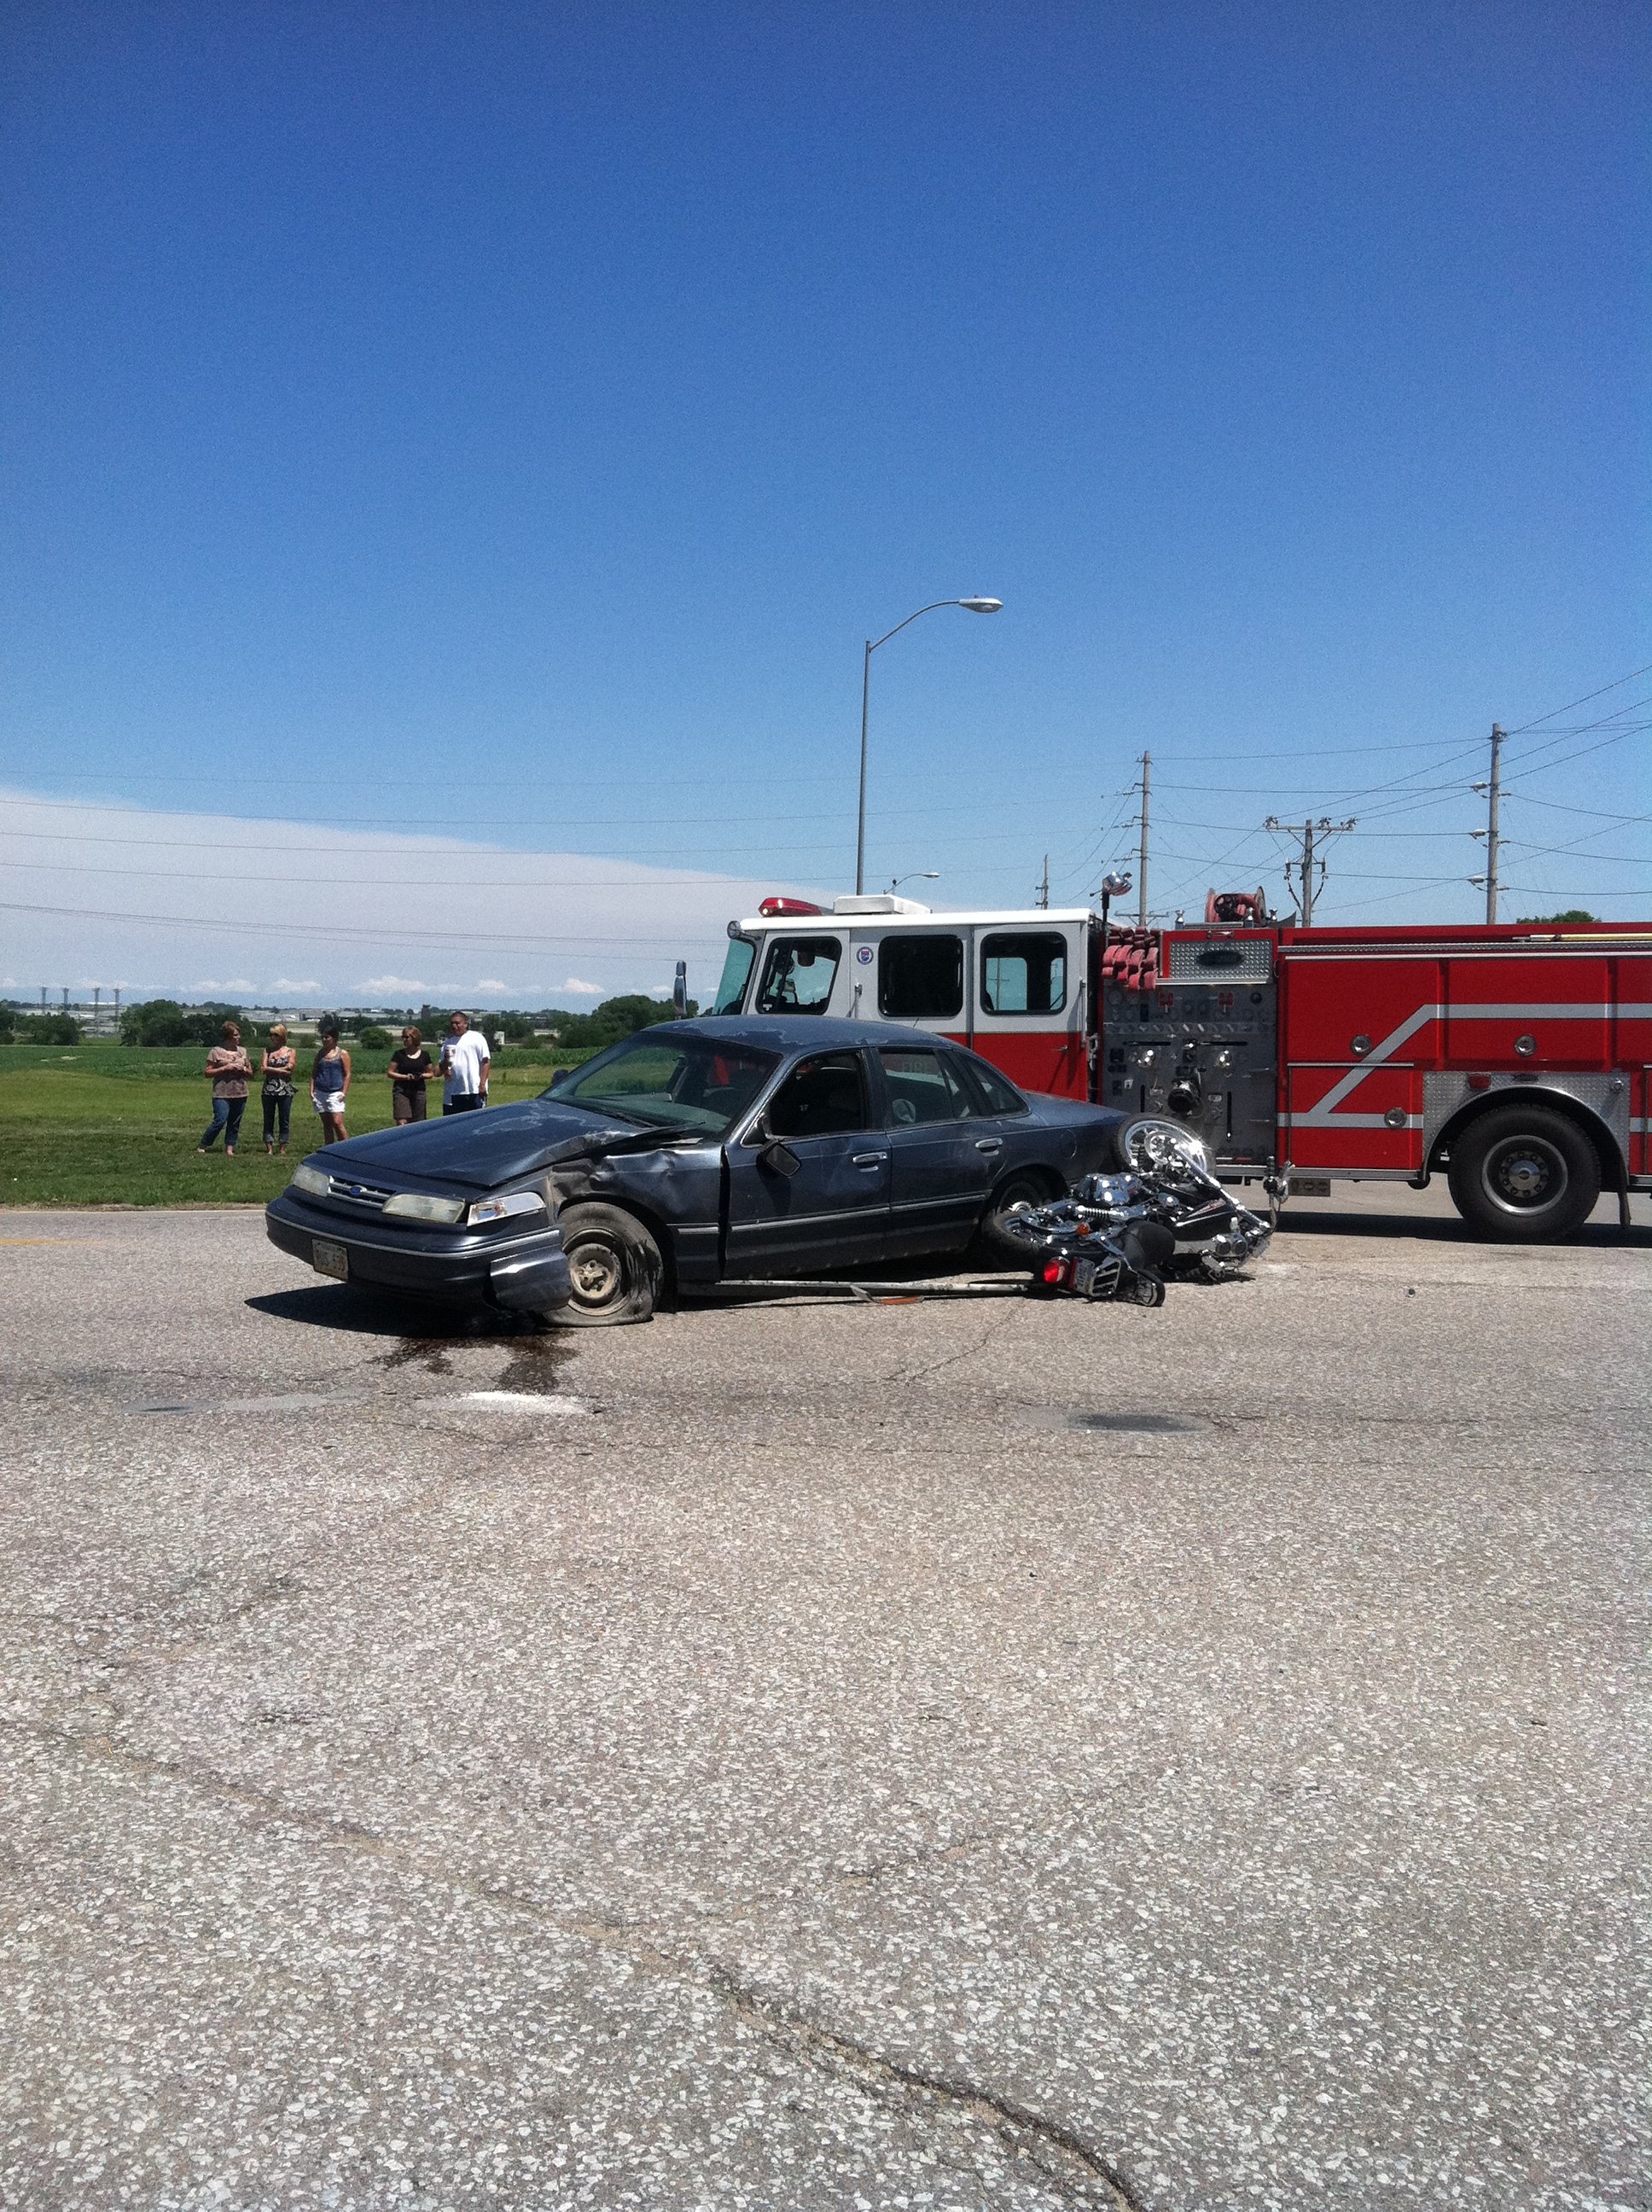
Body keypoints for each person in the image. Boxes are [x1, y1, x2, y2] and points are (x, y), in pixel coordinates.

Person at [198, 1020, 253, 1155]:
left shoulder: (243, 1051)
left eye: (239, 1035)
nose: (238, 1037)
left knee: (235, 1122)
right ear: (228, 1037)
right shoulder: (216, 1052)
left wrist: (244, 1069)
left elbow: (251, 1072)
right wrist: (226, 1067)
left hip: (240, 1091)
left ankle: (230, 1148)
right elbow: (207, 1072)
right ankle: (204, 1144)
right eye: (235, 1035)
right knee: (220, 1119)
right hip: (222, 1092)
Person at [439, 1010, 490, 1114]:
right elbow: (438, 1070)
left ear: (465, 1024)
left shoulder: (476, 1038)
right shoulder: (448, 1043)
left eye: (457, 1023)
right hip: (454, 1091)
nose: (454, 1026)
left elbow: (486, 1062)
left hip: (473, 1090)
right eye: (452, 1023)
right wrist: (446, 1063)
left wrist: (482, 1084)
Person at [259, 1024, 298, 1154]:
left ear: (282, 1036)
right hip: (268, 1089)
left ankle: (283, 1147)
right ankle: (269, 1146)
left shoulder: (291, 1051)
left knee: (284, 1118)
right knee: (268, 1118)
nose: (272, 1038)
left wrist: (272, 1070)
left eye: (275, 1035)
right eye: (271, 1035)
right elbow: (263, 1069)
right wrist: (280, 1070)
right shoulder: (267, 1051)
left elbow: (290, 1069)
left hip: (285, 1090)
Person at [311, 1021, 352, 1144]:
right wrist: (311, 1090)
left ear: (334, 1038)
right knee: (327, 1124)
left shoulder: (342, 1054)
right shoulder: (320, 1054)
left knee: (337, 1122)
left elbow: (348, 1073)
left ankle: (347, 1147)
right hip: (320, 1091)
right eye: (323, 1037)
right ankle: (329, 1147)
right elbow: (314, 1072)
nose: (324, 1039)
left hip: (336, 1092)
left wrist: (344, 1092)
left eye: (327, 1037)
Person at [387, 1024, 433, 1124]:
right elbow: (390, 1072)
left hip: (419, 1090)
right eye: (403, 1037)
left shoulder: (425, 1055)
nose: (404, 1039)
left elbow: (430, 1073)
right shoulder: (399, 1054)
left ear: (414, 1037)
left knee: (419, 1122)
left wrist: (420, 1076)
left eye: (406, 1037)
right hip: (402, 1090)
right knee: (401, 1121)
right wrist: (405, 1077)